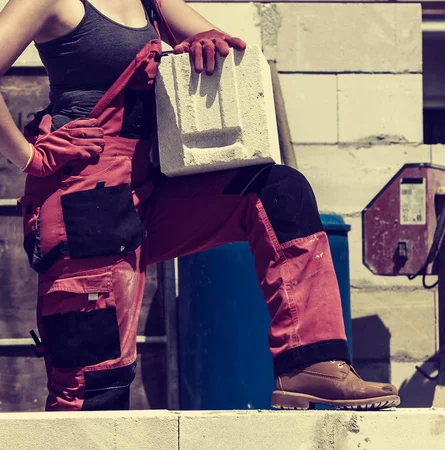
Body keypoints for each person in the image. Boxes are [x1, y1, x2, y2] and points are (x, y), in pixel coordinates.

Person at [0, 0, 400, 411]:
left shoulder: (152, 2)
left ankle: (311, 363)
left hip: (149, 189)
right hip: (84, 201)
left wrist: (212, 45)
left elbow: (229, 53)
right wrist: (28, 156)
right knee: (95, 388)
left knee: (277, 190)